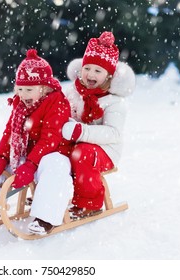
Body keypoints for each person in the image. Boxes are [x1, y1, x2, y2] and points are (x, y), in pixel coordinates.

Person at [0, 49, 73, 235]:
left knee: (55, 164)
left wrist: (31, 164)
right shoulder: (20, 104)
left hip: (50, 155)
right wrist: (1, 157)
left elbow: (50, 139)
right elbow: (10, 132)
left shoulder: (57, 102)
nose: (23, 94)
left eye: (29, 89)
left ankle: (46, 218)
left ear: (44, 87)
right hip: (28, 157)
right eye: (20, 88)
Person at [61, 31, 136, 219]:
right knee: (52, 150)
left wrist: (80, 131)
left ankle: (89, 204)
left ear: (109, 76)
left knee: (83, 154)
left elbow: (113, 134)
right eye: (87, 68)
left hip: (106, 150)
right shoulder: (73, 92)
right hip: (76, 142)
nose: (90, 74)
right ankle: (51, 193)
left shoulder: (114, 102)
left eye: (98, 71)